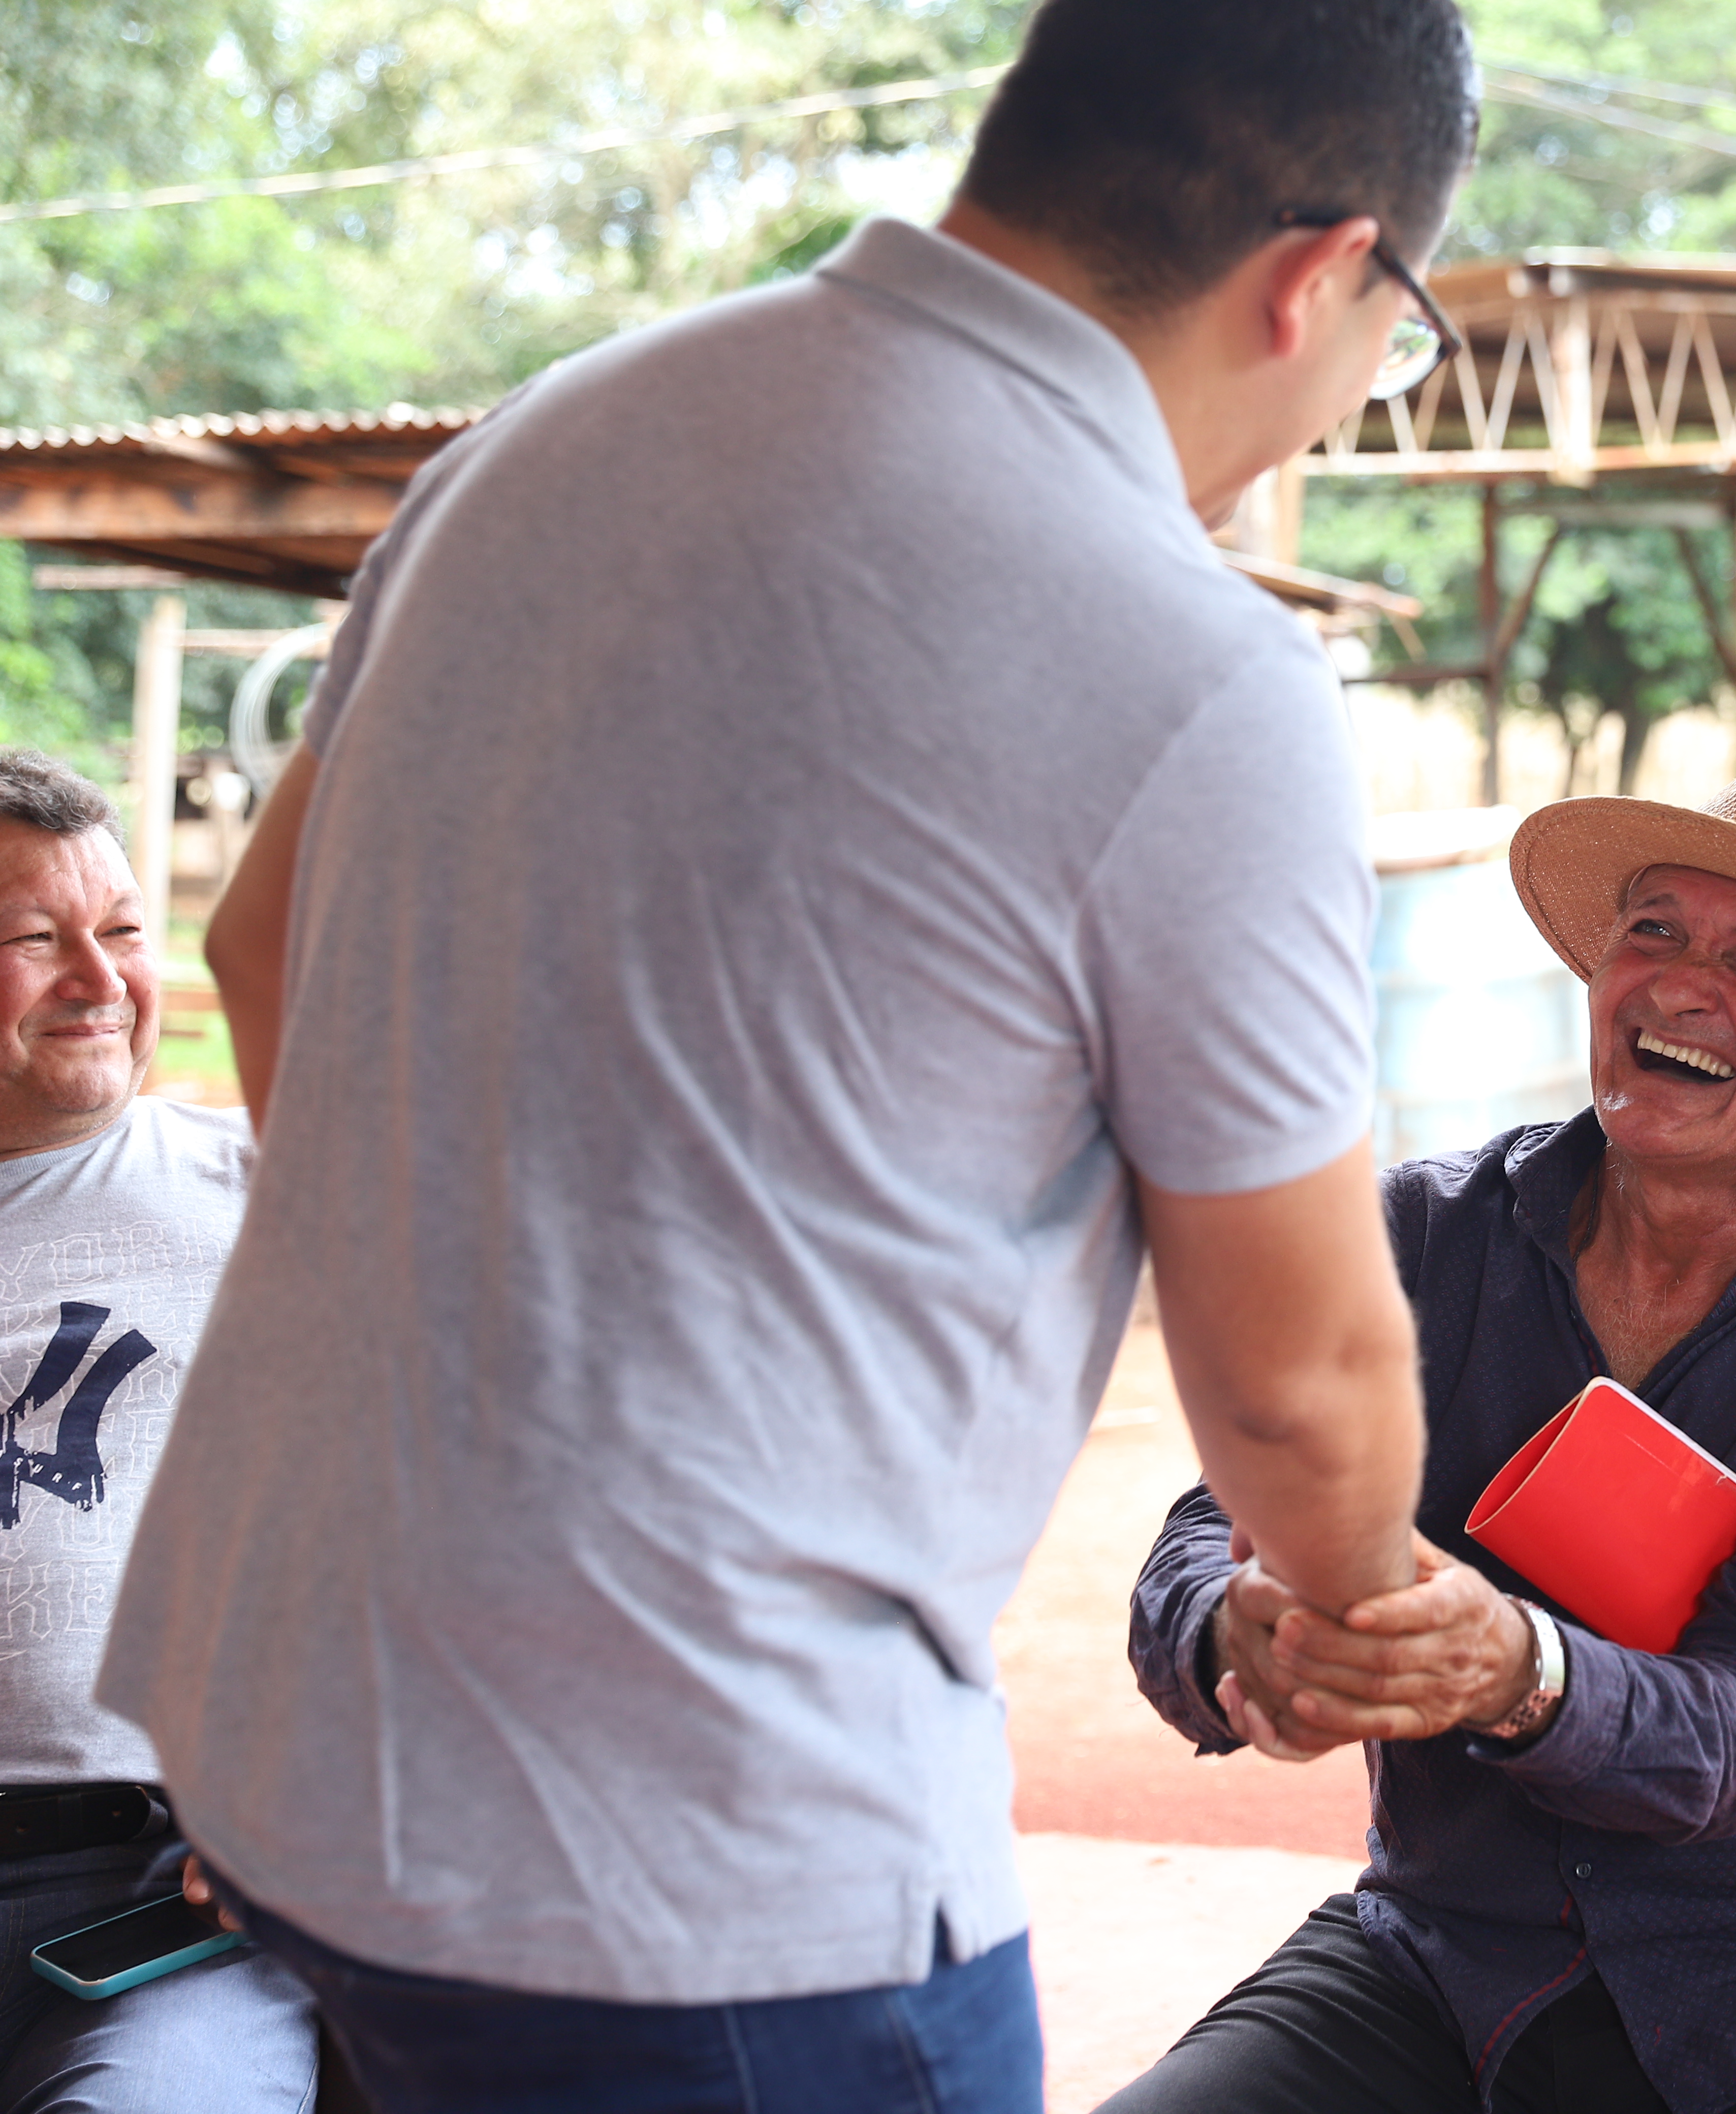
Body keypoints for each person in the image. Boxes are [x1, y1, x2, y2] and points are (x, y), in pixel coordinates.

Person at [92, 3, 1477, 2107]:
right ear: (1323, 274)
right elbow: (1299, 1377)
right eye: (1411, 328)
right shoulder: (1188, 659)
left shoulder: (542, 440)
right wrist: (1359, 1598)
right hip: (698, 1858)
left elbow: (258, 943)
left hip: (289, 1724)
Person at [1115, 735, 1736, 2114]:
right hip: (1442, 1960)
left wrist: (1516, 1670)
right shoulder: (1423, 1237)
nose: (1676, 982)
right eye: (1650, 931)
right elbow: (1203, 1537)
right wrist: (1228, 1633)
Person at [0, 750, 318, 2110]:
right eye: (35, 939)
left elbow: (462, 1506)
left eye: (124, 931)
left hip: (169, 1894)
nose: (100, 977)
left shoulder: (271, 1193)